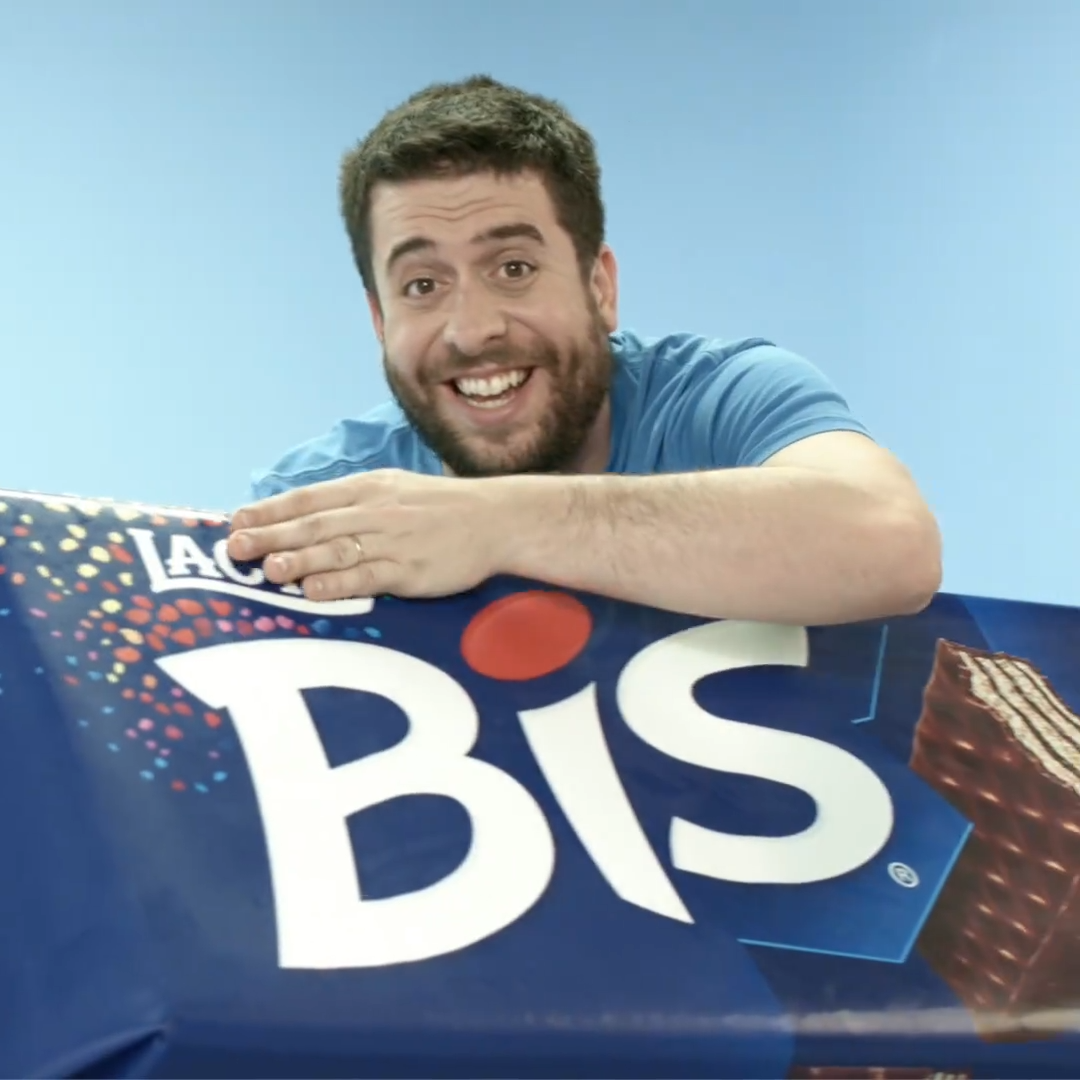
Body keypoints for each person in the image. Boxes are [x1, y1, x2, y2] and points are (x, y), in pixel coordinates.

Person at [227, 75, 941, 625]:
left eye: (513, 268)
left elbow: (892, 541)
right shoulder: (310, 507)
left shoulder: (725, 399)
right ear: (380, 320)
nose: (472, 331)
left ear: (599, 286)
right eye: (422, 284)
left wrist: (493, 523)